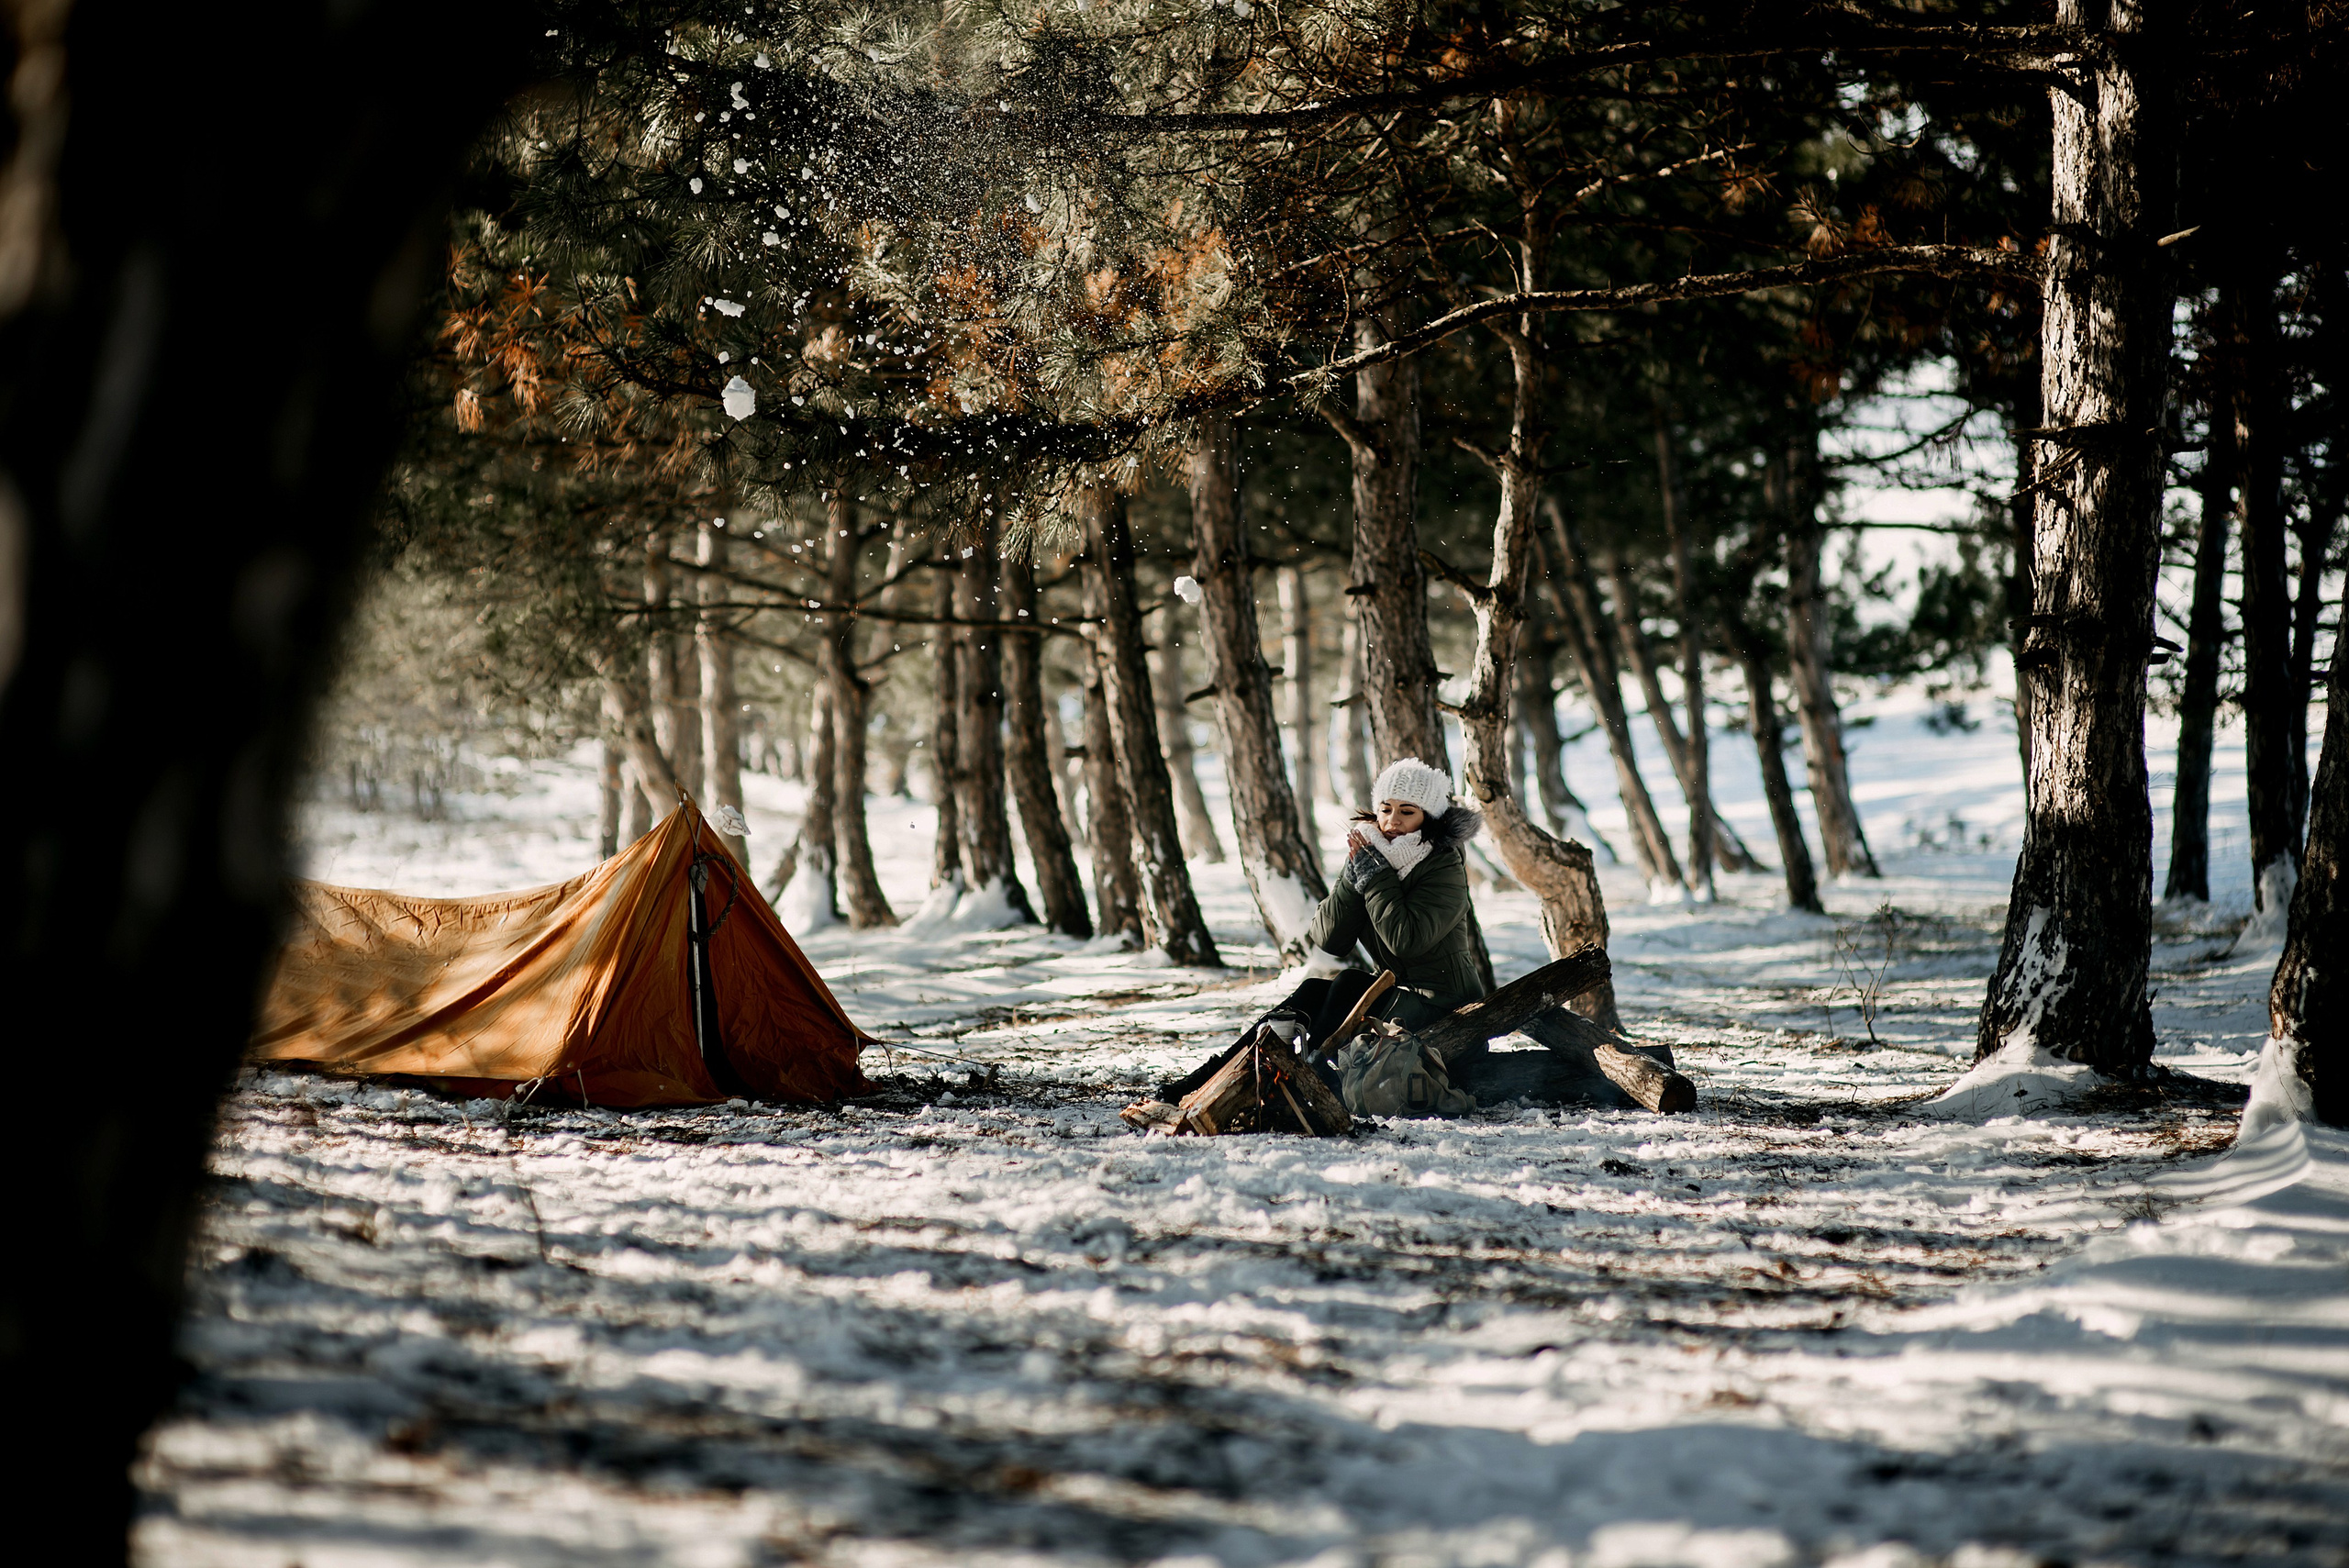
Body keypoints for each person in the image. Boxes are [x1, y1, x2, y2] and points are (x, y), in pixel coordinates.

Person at [1158, 757, 1488, 1101]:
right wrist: (1355, 876)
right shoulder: (1373, 855)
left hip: (1445, 1007)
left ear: (1428, 817)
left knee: (1349, 985)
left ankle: (1310, 1081)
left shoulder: (1443, 864)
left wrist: (1375, 877)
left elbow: (1406, 941)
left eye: (1407, 811)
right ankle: (1212, 1075)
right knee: (1313, 991)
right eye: (1385, 809)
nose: (1392, 821)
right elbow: (1330, 939)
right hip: (1399, 997)